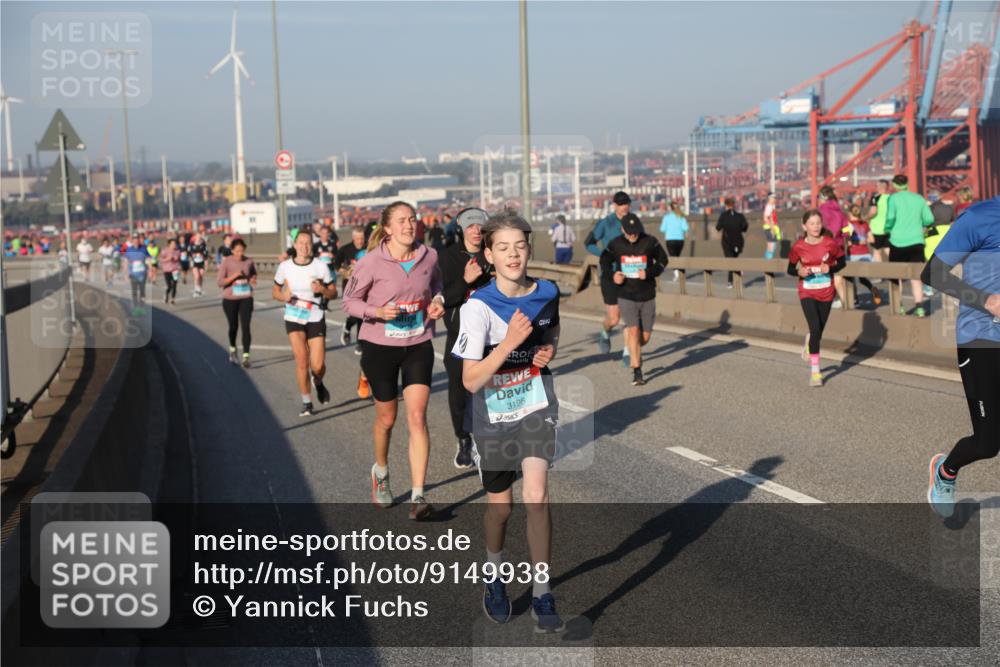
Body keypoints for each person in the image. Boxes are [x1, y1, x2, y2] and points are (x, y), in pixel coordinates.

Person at [451, 210, 564, 633]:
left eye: (519, 246)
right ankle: (494, 573)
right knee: (502, 507)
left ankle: (542, 592)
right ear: (489, 254)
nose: (513, 254)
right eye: (503, 247)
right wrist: (510, 343)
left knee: (537, 495)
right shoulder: (477, 306)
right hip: (492, 411)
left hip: (535, 400)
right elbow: (470, 378)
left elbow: (552, 332)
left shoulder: (548, 292)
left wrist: (547, 350)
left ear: (529, 249)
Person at [341, 201, 445, 520]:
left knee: (417, 417)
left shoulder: (430, 256)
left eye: (412, 219)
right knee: (387, 419)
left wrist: (438, 301)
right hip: (379, 346)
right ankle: (381, 472)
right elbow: (349, 302)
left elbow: (436, 285)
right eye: (401, 221)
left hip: (418, 343)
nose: (408, 225)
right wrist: (377, 312)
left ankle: (418, 496)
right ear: (387, 228)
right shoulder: (371, 262)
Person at [923, 196, 1000, 518]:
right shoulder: (980, 217)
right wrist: (987, 300)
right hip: (982, 337)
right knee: (987, 444)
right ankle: (946, 471)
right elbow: (934, 273)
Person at [438, 207, 493, 469]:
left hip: (491, 336)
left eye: (479, 226)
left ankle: (492, 441)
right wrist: (465, 280)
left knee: (491, 390)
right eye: (470, 226)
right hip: (460, 335)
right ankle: (463, 438)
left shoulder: (494, 255)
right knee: (459, 391)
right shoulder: (447, 257)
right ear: (461, 228)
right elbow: (443, 298)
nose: (475, 231)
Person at [273, 231, 338, 417]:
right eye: (301, 242)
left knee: (317, 366)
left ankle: (317, 382)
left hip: (315, 316)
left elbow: (333, 293)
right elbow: (275, 291)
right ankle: (307, 402)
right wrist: (282, 296)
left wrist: (323, 289)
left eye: (308, 243)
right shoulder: (285, 267)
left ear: (312, 245)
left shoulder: (321, 267)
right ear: (294, 245)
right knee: (301, 359)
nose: (304, 246)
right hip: (293, 316)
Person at [600, 213, 668, 385]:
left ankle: (634, 348)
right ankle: (637, 371)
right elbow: (604, 261)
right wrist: (613, 275)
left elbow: (663, 260)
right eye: (629, 232)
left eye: (635, 231)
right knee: (633, 331)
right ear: (622, 229)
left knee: (644, 338)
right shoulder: (616, 244)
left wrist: (650, 272)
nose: (633, 235)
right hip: (626, 295)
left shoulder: (649, 242)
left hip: (647, 295)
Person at [788, 209, 846, 387]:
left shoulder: (830, 243)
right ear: (804, 226)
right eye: (812, 224)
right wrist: (799, 271)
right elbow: (790, 269)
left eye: (818, 223)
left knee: (818, 331)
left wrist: (830, 269)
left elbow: (842, 262)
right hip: (807, 291)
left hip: (826, 292)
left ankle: (809, 342)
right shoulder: (798, 246)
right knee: (814, 327)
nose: (816, 227)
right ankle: (815, 372)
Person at [585, 191, 631, 354]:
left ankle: (628, 351)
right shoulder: (606, 223)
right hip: (609, 274)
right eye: (621, 204)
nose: (624, 206)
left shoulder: (633, 222)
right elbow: (589, 243)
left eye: (626, 203)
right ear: (614, 205)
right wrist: (603, 254)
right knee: (614, 318)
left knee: (630, 315)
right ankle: (605, 332)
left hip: (629, 275)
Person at [884, 174, 934, 317]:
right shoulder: (919, 198)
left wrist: (887, 228)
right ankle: (919, 308)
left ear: (894, 185)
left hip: (897, 242)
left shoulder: (893, 198)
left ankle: (899, 308)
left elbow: (890, 218)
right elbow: (929, 219)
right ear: (907, 183)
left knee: (896, 277)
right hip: (917, 241)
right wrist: (920, 224)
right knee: (916, 277)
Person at [217, 238, 257, 368]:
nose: (240, 253)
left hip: (246, 297)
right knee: (233, 326)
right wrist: (234, 276)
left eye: (242, 251)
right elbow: (220, 282)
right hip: (230, 299)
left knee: (246, 326)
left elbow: (253, 274)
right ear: (232, 250)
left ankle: (246, 356)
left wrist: (253, 280)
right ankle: (233, 349)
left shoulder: (249, 261)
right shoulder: (226, 262)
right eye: (237, 251)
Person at [335, 224, 369, 352]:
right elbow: (336, 264)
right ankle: (348, 326)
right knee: (356, 314)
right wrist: (344, 271)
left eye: (362, 238)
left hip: (365, 286)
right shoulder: (345, 249)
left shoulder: (368, 249)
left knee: (363, 314)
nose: (361, 241)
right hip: (350, 287)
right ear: (353, 238)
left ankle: (360, 343)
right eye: (358, 239)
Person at [817, 185, 849, 307]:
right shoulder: (840, 213)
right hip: (838, 246)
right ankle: (845, 301)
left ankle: (827, 300)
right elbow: (846, 231)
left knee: (823, 275)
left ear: (822, 198)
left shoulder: (819, 212)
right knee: (838, 275)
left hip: (824, 247)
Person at [844, 205, 882, 307]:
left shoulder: (847, 225)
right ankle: (873, 289)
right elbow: (872, 239)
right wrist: (863, 240)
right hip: (866, 255)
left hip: (853, 255)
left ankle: (855, 298)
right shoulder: (865, 224)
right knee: (861, 278)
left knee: (850, 278)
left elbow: (847, 241)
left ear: (849, 213)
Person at [715, 197, 748, 287]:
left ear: (726, 205)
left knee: (730, 261)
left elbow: (718, 228)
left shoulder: (723, 215)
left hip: (727, 242)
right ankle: (734, 277)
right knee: (734, 260)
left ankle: (731, 281)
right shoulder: (740, 216)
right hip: (738, 242)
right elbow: (745, 227)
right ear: (734, 205)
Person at [660, 201, 689, 280]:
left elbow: (662, 229)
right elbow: (685, 228)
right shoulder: (681, 216)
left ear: (670, 208)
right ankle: (680, 272)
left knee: (673, 257)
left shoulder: (667, 217)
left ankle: (677, 274)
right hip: (680, 240)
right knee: (677, 256)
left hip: (670, 240)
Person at [123, 236, 151, 312]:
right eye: (134, 241)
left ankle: (142, 307)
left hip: (142, 273)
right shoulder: (129, 249)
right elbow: (125, 261)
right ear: (132, 242)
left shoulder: (143, 248)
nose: (136, 242)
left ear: (139, 241)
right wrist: (125, 274)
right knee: (134, 291)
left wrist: (150, 271)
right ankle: (135, 307)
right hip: (133, 274)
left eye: (137, 241)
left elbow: (148, 259)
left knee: (142, 291)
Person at [867, 179, 891, 263]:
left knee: (877, 251)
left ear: (879, 187)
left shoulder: (875, 197)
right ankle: (897, 271)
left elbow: (873, 211)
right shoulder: (891, 197)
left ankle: (880, 274)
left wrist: (867, 217)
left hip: (876, 229)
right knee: (888, 250)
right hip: (889, 228)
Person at [159, 238, 181, 305]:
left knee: (174, 285)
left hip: (175, 270)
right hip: (167, 270)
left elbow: (179, 259)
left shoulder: (177, 251)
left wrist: (177, 259)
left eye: (175, 244)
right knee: (169, 286)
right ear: (169, 244)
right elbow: (160, 259)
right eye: (172, 244)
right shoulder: (165, 250)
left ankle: (173, 299)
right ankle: (166, 294)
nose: (174, 245)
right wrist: (168, 259)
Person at [762, 193, 782, 260]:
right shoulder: (769, 206)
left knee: (770, 247)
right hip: (770, 229)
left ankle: (766, 264)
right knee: (771, 247)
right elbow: (766, 218)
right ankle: (767, 264)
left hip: (769, 228)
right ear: (769, 198)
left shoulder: (770, 206)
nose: (775, 199)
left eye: (775, 198)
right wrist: (772, 229)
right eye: (773, 198)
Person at [189, 231, 209, 297]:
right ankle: (196, 289)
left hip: (201, 262)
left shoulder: (203, 244)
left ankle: (199, 288)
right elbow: (189, 252)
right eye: (197, 236)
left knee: (201, 276)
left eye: (199, 236)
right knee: (197, 276)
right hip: (194, 262)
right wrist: (193, 255)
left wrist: (206, 261)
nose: (198, 237)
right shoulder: (192, 244)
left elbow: (206, 253)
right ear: (195, 237)